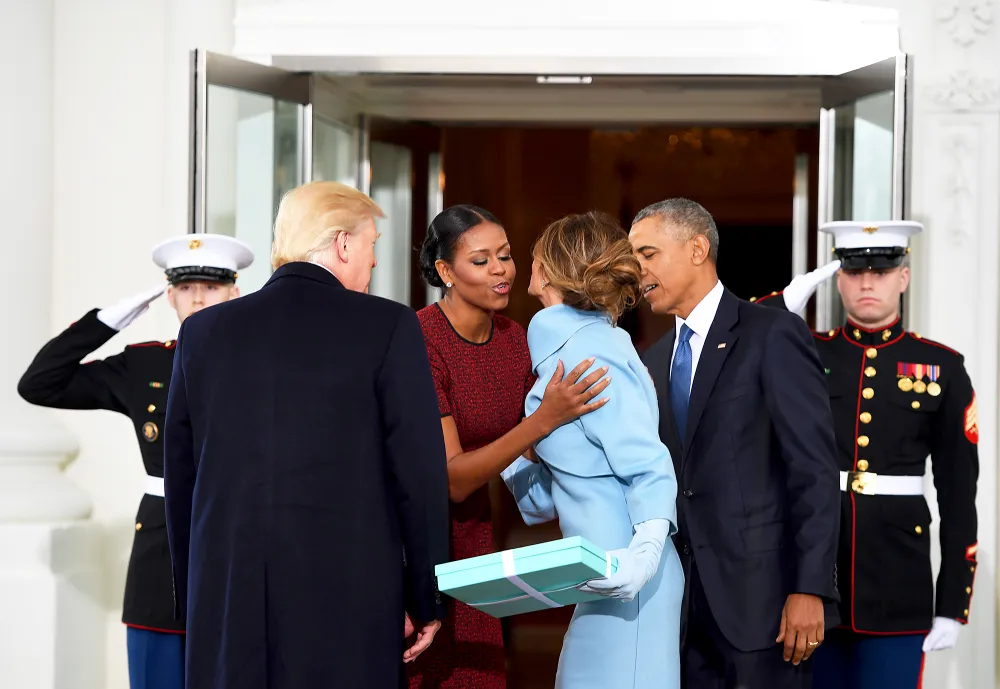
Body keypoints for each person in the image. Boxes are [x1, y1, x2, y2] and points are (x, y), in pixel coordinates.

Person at [163, 181, 450, 689]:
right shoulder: (389, 325)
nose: (374, 261)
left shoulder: (202, 333)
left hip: (231, 598)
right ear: (342, 243)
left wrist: (197, 602)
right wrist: (425, 595)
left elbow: (182, 478)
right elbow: (420, 474)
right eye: (372, 244)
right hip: (348, 594)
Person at [17, 233, 254, 689]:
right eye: (186, 287)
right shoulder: (144, 366)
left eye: (212, 285)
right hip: (159, 548)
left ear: (234, 292)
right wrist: (108, 321)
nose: (199, 296)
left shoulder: (262, 360)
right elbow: (39, 384)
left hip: (237, 538)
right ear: (170, 295)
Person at [751, 221, 979, 689]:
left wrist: (952, 604)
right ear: (838, 280)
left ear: (904, 277)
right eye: (855, 271)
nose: (868, 281)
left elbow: (958, 495)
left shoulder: (943, 367)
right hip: (811, 580)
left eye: (882, 269)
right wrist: (787, 303)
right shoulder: (805, 350)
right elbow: (736, 345)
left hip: (899, 584)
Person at [629, 198, 841, 689]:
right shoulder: (652, 359)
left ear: (698, 248)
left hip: (765, 609)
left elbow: (812, 470)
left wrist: (809, 588)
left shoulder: (772, 333)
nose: (637, 271)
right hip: (679, 614)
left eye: (648, 254)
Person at [410, 205, 611, 688]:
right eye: (481, 261)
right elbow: (453, 480)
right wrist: (543, 421)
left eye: (505, 255)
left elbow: (535, 446)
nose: (501, 270)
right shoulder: (420, 339)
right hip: (419, 545)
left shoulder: (515, 338)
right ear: (445, 272)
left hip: (480, 542)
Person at [502, 211, 683, 689]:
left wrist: (642, 559)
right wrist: (521, 440)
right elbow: (540, 504)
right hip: (598, 580)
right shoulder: (560, 351)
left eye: (536, 250)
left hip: (632, 582)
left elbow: (648, 465)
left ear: (549, 266)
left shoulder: (591, 352)